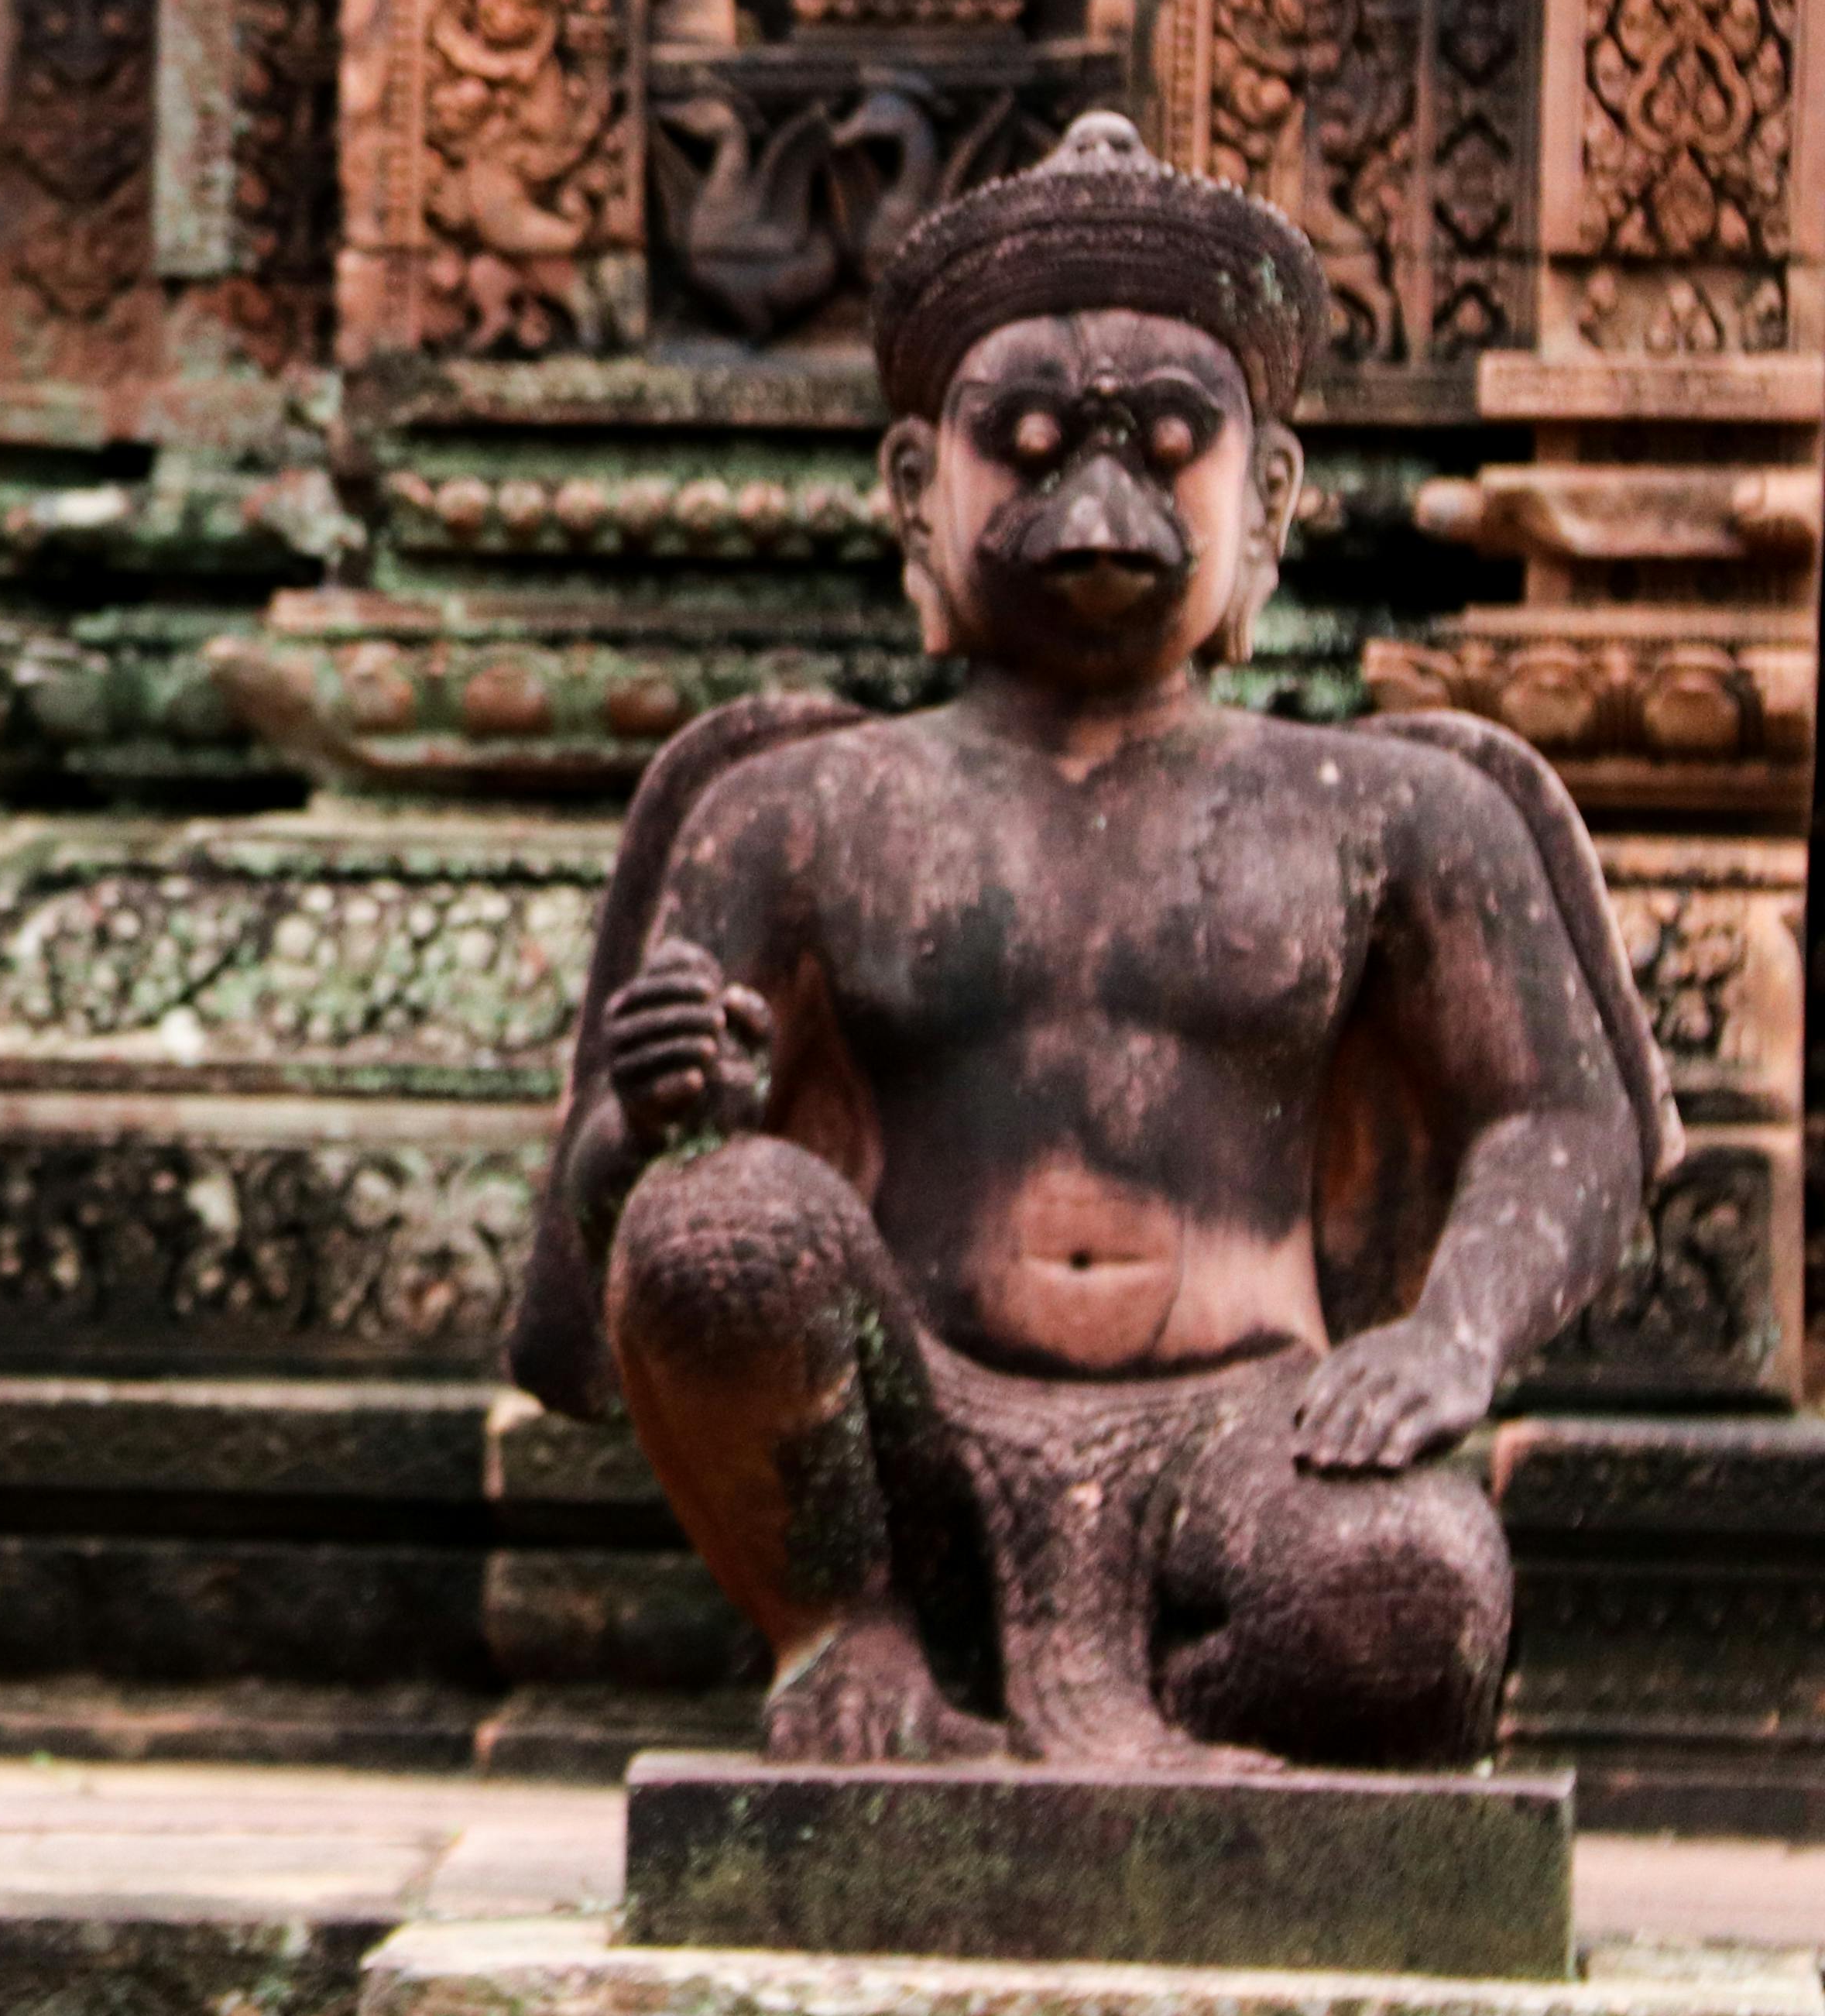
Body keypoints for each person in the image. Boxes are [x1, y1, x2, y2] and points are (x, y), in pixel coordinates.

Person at [520, 112, 1667, 1767]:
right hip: (904, 1420)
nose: (1099, 502)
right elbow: (608, 1209)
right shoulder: (795, 804)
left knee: (1422, 1599)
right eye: (1036, 445)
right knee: (721, 1226)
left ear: (1267, 496)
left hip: (1257, 1429)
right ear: (918, 488)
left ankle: (1105, 1737)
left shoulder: (1390, 807)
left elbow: (1568, 1118)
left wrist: (1453, 1332)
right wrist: (664, 1110)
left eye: (1162, 445)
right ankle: (850, 1639)